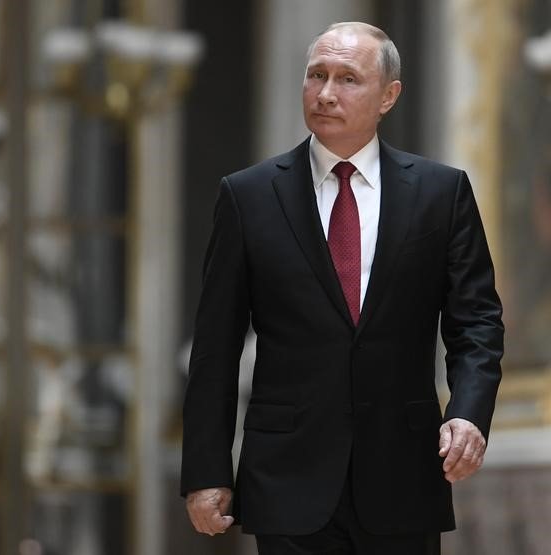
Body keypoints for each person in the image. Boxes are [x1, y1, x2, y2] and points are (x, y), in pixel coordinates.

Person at [180, 22, 504, 554]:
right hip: (288, 480)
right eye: (316, 75)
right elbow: (215, 346)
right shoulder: (248, 196)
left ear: (388, 96)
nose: (326, 93)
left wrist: (468, 411)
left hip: (403, 477)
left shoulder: (441, 193)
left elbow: (477, 322)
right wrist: (206, 470)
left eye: (348, 79)